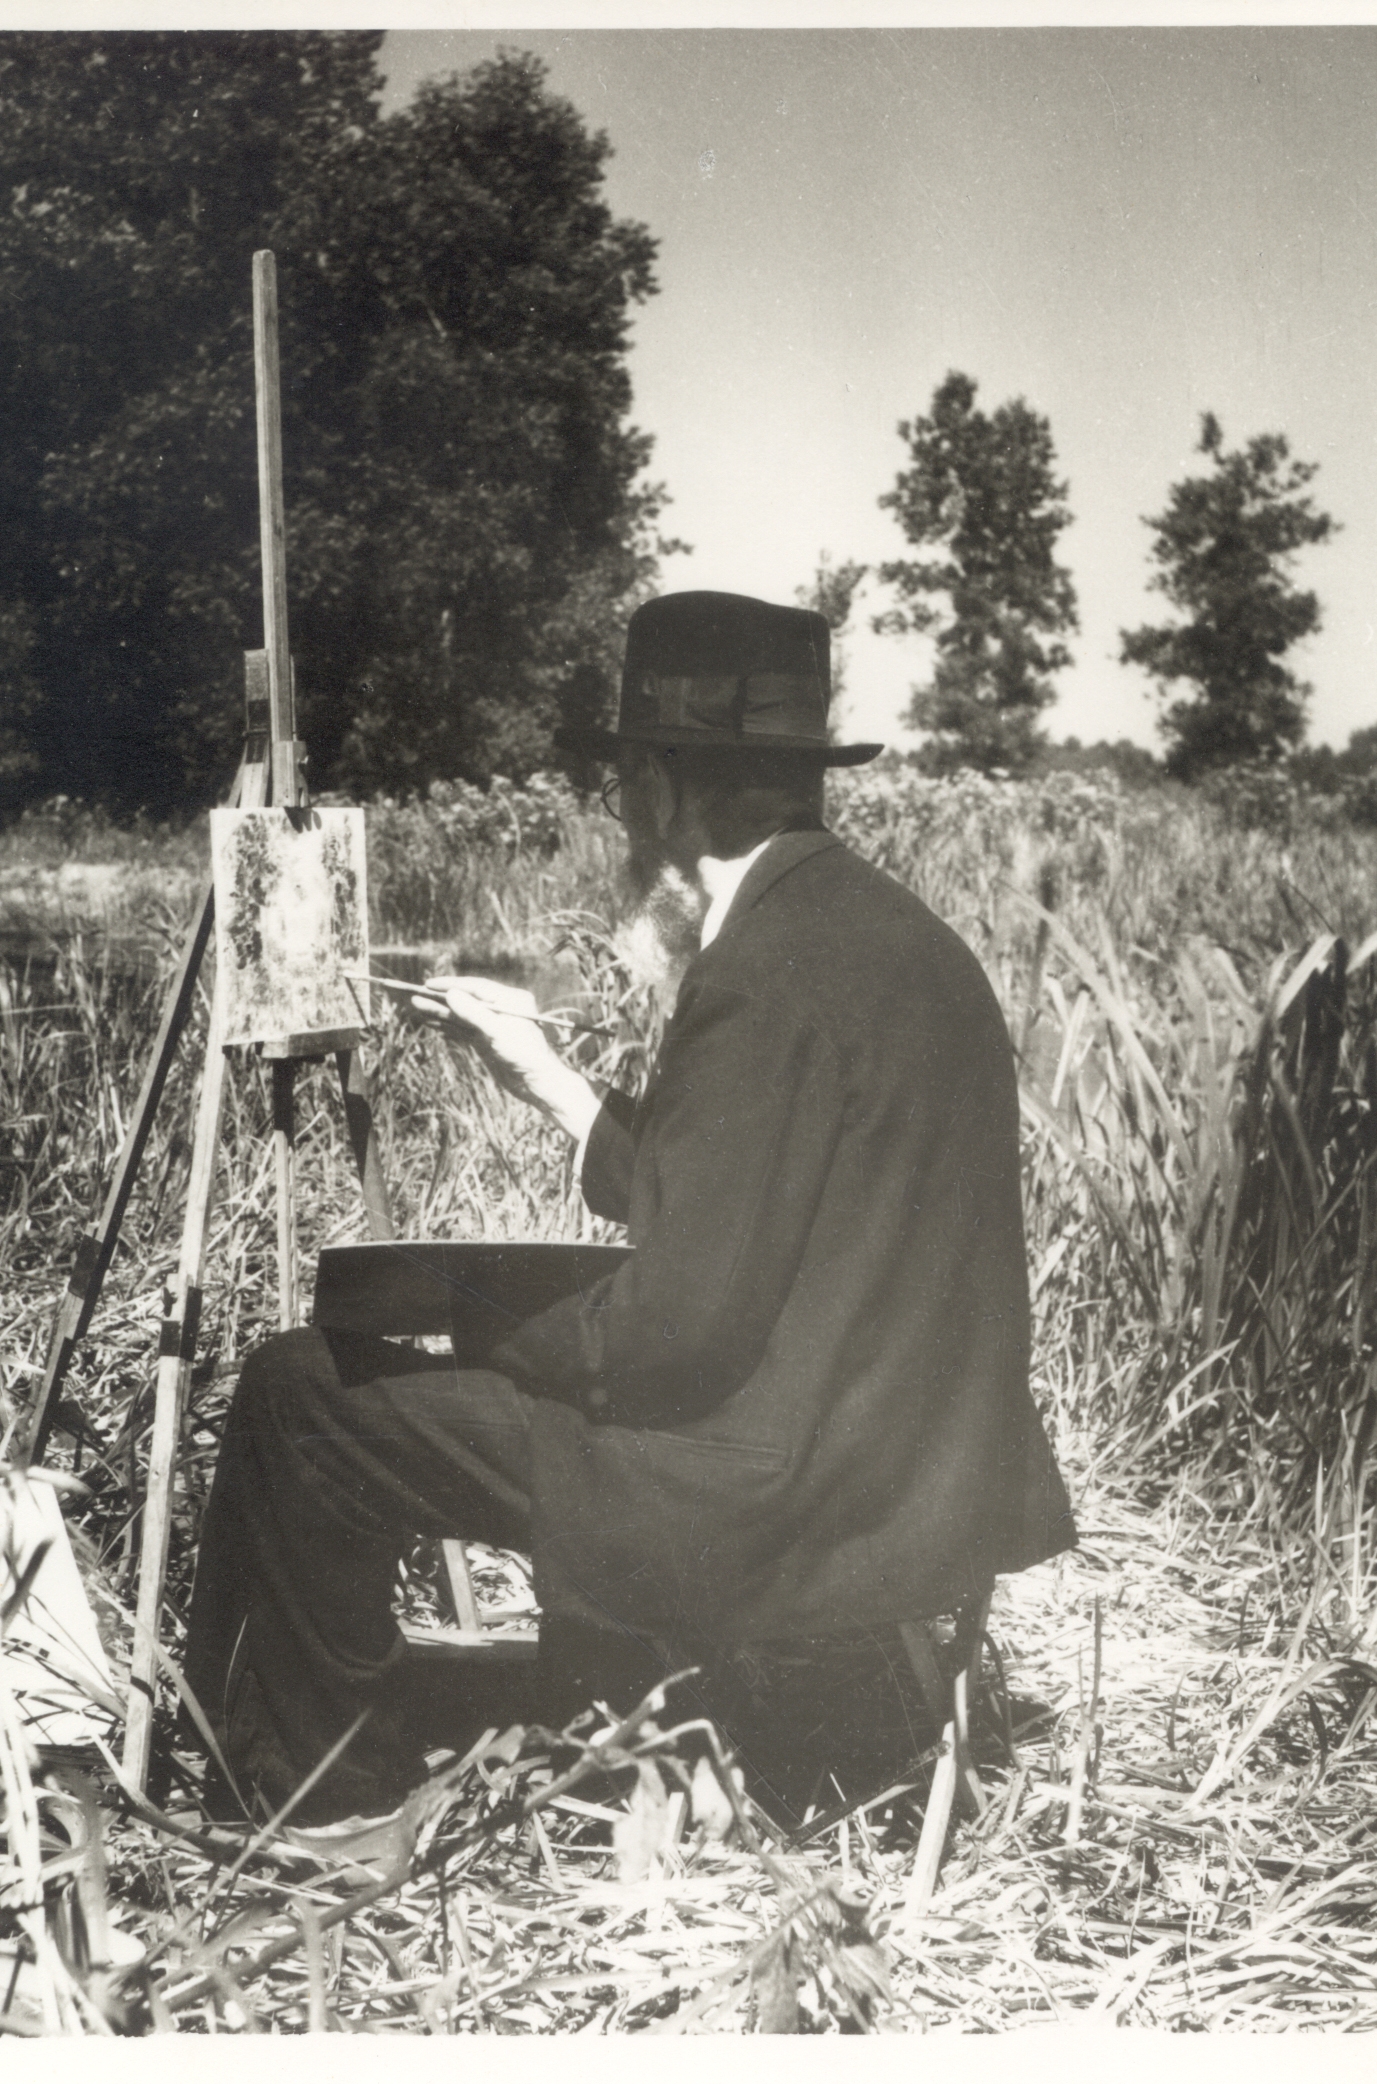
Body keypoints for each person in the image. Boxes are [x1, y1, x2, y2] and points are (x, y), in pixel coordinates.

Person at [179, 590, 1074, 1853]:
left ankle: (305, 1796)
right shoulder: (896, 939)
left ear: (658, 783)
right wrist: (547, 1076)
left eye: (623, 781)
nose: (620, 812)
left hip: (778, 1485)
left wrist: (466, 1317)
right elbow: (746, 1196)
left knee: (302, 1390)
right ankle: (493, 1710)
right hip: (916, 1475)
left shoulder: (756, 978)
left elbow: (672, 1332)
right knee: (412, 1374)